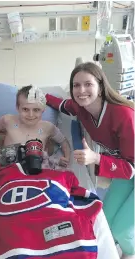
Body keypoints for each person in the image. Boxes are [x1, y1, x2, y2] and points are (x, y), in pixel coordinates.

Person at [45, 62, 134, 259]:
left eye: (88, 84)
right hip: (124, 166)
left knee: (122, 232)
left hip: (130, 167)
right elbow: (59, 103)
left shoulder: (123, 115)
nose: (81, 90)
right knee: (105, 223)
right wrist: (37, 95)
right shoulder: (81, 109)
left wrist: (96, 158)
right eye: (76, 85)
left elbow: (130, 168)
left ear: (101, 87)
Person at [0, 85, 71, 169]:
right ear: (17, 108)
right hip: (9, 168)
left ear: (43, 109)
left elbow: (63, 141)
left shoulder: (48, 127)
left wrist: (66, 157)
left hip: (34, 170)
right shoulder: (7, 120)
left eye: (36, 110)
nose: (30, 115)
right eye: (25, 109)